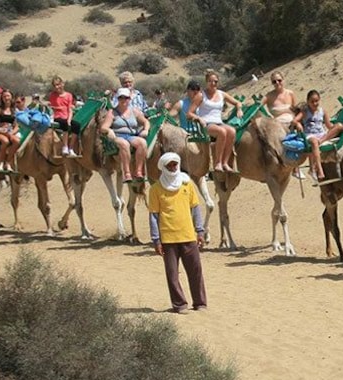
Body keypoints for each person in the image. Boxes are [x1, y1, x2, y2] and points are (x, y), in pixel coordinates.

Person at [149, 152, 207, 314]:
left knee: (195, 271)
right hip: (168, 239)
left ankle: (200, 302)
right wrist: (156, 240)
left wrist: (200, 231)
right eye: (170, 165)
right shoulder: (156, 189)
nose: (173, 167)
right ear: (164, 167)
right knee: (172, 274)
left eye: (175, 164)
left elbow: (195, 209)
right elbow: (153, 216)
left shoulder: (187, 185)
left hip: (188, 235)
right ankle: (180, 304)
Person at [187, 70, 242, 172]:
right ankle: (218, 162)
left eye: (215, 81)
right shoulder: (201, 95)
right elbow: (190, 113)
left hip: (219, 122)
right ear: (206, 82)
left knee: (232, 131)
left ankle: (225, 162)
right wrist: (199, 118)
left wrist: (239, 109)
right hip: (206, 123)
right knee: (222, 132)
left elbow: (237, 103)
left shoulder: (222, 94)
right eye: (210, 81)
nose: (213, 84)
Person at [292, 89, 343, 183]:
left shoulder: (322, 111)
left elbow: (329, 125)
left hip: (322, 134)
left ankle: (322, 140)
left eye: (316, 101)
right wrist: (298, 124)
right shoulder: (305, 112)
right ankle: (319, 170)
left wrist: (336, 127)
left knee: (339, 126)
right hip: (310, 135)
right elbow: (294, 120)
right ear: (308, 101)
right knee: (314, 142)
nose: (315, 103)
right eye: (312, 101)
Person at [101, 87, 150, 181]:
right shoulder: (112, 112)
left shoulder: (134, 111)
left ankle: (138, 171)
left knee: (142, 143)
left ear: (129, 99)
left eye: (126, 98)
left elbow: (146, 121)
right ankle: (127, 173)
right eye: (121, 98)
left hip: (131, 135)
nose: (123, 100)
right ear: (118, 99)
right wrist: (109, 131)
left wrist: (146, 130)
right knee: (124, 144)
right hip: (118, 135)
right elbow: (103, 127)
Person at [48, 76, 80, 157]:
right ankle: (65, 146)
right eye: (55, 85)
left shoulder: (69, 95)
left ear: (62, 84)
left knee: (76, 125)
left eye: (58, 84)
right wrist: (61, 108)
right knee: (64, 124)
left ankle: (71, 148)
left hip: (66, 116)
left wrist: (69, 119)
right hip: (58, 116)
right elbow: (53, 107)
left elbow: (70, 109)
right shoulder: (52, 95)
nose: (57, 87)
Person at [0, 89, 22, 172]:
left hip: (10, 131)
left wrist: (12, 132)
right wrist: (0, 130)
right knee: (5, 141)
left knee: (17, 141)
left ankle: (8, 162)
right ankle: (0, 163)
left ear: (11, 97)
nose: (6, 98)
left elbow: (17, 126)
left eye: (8, 96)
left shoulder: (14, 110)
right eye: (4, 96)